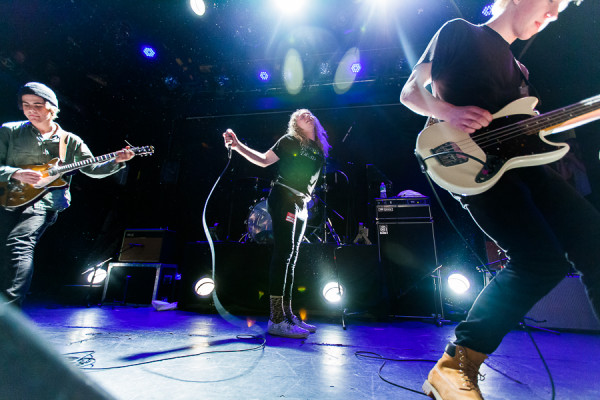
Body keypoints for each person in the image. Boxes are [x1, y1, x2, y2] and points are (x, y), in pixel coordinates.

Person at [400, 1, 598, 399]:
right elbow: (410, 91)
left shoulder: (519, 69)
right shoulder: (460, 32)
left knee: (593, 241)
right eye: (551, 3)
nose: (554, 15)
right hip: (475, 166)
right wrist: (446, 111)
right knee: (539, 260)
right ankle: (456, 365)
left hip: (524, 165)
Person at [0, 82, 135, 307]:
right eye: (26, 105)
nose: (31, 110)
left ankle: (9, 311)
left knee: (19, 243)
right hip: (6, 198)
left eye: (37, 105)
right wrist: (15, 173)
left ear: (52, 108)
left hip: (43, 203)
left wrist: (116, 162)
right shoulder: (9, 131)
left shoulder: (69, 141)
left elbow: (92, 169)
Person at [222, 109, 330, 338]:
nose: (306, 116)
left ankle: (288, 315)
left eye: (309, 113)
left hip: (301, 203)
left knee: (292, 256)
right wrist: (238, 145)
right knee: (283, 254)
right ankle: (276, 319)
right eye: (301, 116)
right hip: (284, 197)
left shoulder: (318, 147)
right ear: (296, 124)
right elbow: (263, 161)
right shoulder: (290, 141)